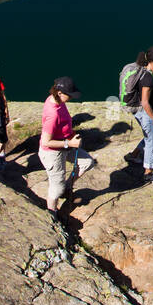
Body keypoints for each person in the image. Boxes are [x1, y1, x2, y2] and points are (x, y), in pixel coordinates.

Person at [37, 76, 96, 217]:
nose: (71, 97)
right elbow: (46, 142)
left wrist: (70, 135)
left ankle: (67, 186)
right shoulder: (53, 113)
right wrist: (69, 143)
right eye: (69, 95)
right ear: (59, 93)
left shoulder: (57, 101)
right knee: (56, 189)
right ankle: (52, 214)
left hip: (65, 145)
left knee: (87, 162)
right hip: (53, 153)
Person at [130, 46, 153, 185]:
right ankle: (148, 173)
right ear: (152, 61)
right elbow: (145, 102)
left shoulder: (147, 72)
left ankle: (134, 155)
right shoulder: (147, 78)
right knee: (152, 141)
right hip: (146, 113)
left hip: (146, 111)